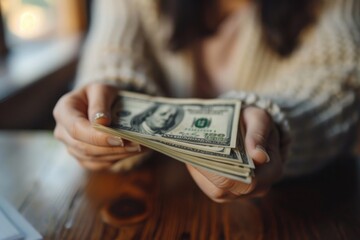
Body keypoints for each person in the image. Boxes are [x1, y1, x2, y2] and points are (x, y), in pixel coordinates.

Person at [53, 0, 360, 202]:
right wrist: (102, 99)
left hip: (301, 204)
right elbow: (114, 55)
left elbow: (339, 81)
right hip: (157, 200)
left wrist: (277, 126)